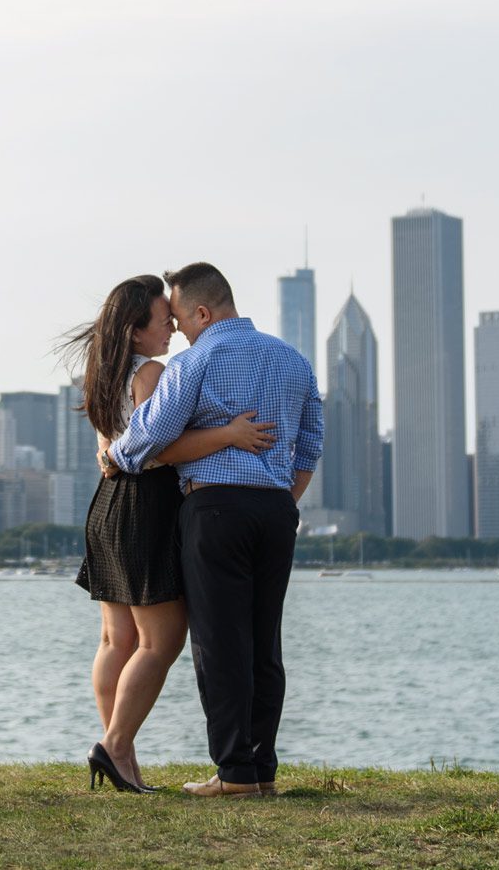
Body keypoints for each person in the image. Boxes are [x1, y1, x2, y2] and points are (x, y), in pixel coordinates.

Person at [106, 261, 322, 798]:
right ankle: (263, 769)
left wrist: (117, 455)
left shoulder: (194, 362)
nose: (176, 329)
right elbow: (312, 444)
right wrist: (280, 499)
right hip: (276, 511)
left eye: (178, 317)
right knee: (263, 643)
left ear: (202, 311)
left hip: (215, 510)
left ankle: (234, 774)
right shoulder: (292, 359)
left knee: (218, 646)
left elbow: (146, 437)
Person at [65, 273, 278, 793]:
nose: (174, 331)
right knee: (162, 641)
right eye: (164, 322)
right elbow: (157, 449)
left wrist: (116, 455)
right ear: (137, 331)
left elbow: (115, 450)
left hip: (107, 508)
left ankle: (123, 757)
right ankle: (114, 747)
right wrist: (229, 433)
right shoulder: (152, 373)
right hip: (146, 507)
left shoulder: (103, 375)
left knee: (117, 639)